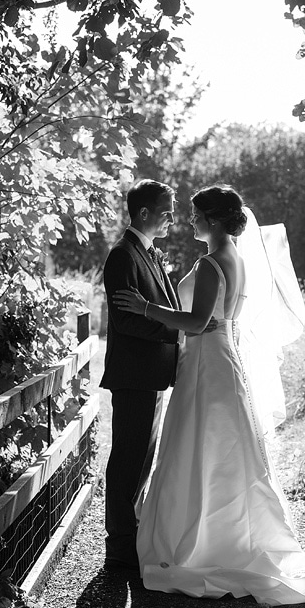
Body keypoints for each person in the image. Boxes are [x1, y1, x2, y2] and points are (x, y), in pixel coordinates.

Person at [113, 185, 305, 606]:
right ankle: (217, 531)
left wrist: (145, 308)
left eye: (194, 215)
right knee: (216, 450)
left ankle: (200, 541)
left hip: (208, 364)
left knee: (201, 447)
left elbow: (195, 320)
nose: (188, 221)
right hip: (219, 357)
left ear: (212, 219)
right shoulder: (237, 259)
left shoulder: (211, 263)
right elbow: (213, 319)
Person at [100, 179, 182, 573]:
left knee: (141, 459)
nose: (172, 217)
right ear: (145, 213)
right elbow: (126, 321)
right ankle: (118, 548)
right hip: (134, 374)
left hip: (151, 374)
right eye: (166, 210)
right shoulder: (122, 256)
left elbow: (156, 305)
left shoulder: (146, 252)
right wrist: (178, 330)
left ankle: (130, 538)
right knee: (126, 460)